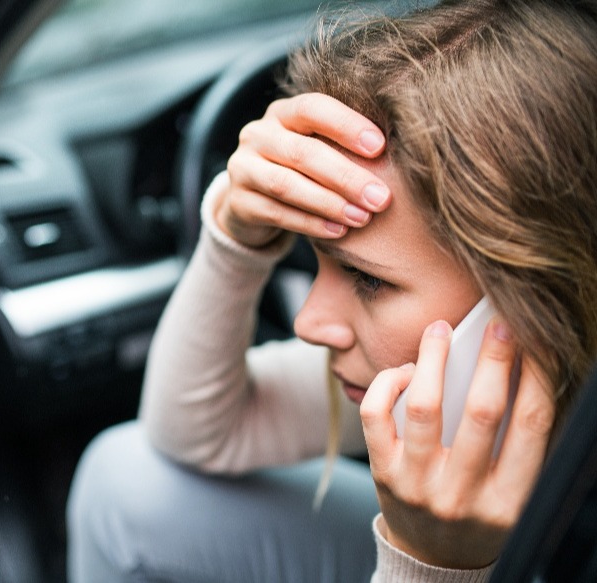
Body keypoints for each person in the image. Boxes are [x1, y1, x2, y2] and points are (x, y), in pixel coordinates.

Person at [66, 0, 597, 581]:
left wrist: (425, 567)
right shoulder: (431, 384)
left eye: (369, 279)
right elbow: (197, 433)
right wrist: (233, 237)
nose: (309, 322)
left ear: (539, 295)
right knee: (127, 478)